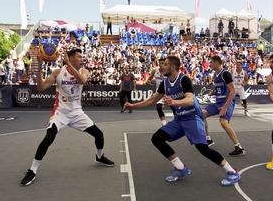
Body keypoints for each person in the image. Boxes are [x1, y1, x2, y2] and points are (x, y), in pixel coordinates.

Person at [124, 56, 241, 186]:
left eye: (165, 64)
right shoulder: (165, 83)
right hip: (179, 119)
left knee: (203, 148)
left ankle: (232, 172)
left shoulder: (183, 80)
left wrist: (174, 101)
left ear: (173, 67)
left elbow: (190, 99)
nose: (161, 67)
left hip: (192, 118)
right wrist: (133, 105)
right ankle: (181, 168)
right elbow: (152, 100)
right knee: (157, 138)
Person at [20, 48, 114, 186]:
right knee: (49, 137)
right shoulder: (58, 73)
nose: (82, 59)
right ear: (70, 58)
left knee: (99, 134)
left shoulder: (84, 71)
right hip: (60, 112)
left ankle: (99, 157)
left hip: (77, 113)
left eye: (82, 57)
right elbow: (40, 88)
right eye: (79, 57)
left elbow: (82, 81)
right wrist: (40, 67)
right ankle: (32, 170)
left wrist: (69, 65)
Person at [203, 56, 246, 156]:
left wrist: (225, 107)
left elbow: (232, 91)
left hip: (227, 102)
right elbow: (217, 89)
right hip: (218, 102)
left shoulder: (225, 73)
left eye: (212, 62)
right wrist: (209, 94)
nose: (210, 64)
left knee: (223, 122)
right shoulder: (215, 75)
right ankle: (208, 139)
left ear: (217, 63)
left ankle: (239, 147)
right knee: (201, 115)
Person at [146, 57, 167, 126]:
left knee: (175, 108)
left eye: (163, 63)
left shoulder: (168, 71)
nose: (161, 65)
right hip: (159, 93)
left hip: (168, 92)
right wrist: (152, 82)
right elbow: (148, 81)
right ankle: (164, 123)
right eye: (160, 63)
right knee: (158, 107)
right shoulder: (155, 71)